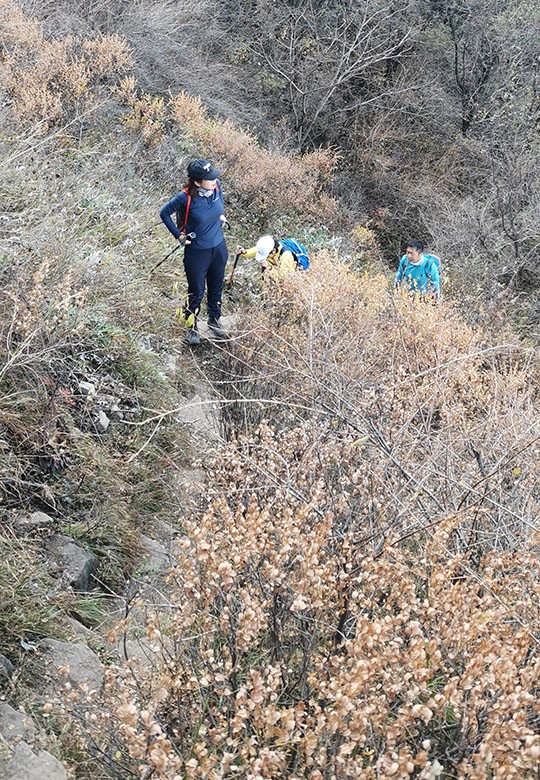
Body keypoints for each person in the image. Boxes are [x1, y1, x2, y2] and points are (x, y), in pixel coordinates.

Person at [160, 158, 228, 344]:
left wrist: (221, 217)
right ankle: (192, 326)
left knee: (216, 287)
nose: (214, 180)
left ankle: (214, 320)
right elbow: (164, 213)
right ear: (197, 182)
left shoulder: (217, 187)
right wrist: (179, 236)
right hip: (197, 252)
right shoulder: (185, 197)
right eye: (209, 178)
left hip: (218, 248)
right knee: (196, 291)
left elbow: (219, 204)